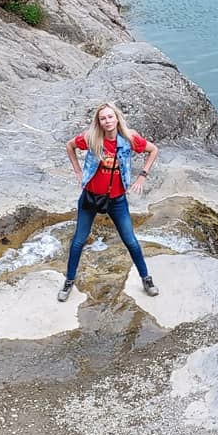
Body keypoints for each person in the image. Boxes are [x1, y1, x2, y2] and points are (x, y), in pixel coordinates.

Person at [60, 102, 160, 302]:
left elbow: (153, 150)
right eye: (103, 118)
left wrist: (142, 176)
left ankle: (146, 279)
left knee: (130, 240)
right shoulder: (91, 137)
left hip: (116, 200)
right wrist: (78, 171)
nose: (107, 121)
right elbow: (70, 146)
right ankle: (69, 281)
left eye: (110, 117)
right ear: (99, 121)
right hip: (90, 197)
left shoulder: (129, 138)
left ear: (117, 118)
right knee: (79, 240)